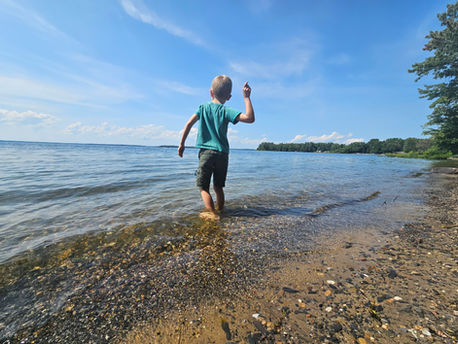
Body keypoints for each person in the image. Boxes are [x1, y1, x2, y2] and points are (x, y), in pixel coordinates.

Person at [178, 75, 255, 220]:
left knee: (203, 187)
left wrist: (182, 144)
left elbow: (188, 124)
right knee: (218, 187)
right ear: (229, 96)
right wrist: (246, 97)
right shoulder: (226, 111)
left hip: (206, 153)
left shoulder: (203, 108)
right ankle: (221, 210)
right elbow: (250, 118)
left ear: (211, 92)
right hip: (222, 155)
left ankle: (212, 214)